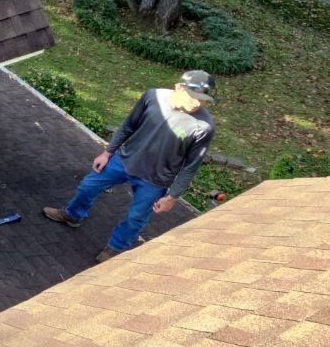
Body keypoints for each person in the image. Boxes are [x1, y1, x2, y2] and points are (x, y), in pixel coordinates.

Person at [42, 70, 216, 262]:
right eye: (194, 97)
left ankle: (116, 247)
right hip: (124, 160)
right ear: (178, 87)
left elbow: (191, 166)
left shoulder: (203, 127)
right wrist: (108, 152)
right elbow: (128, 126)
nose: (197, 103)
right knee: (88, 185)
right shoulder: (153, 96)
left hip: (155, 179)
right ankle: (73, 215)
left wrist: (172, 196)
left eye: (203, 100)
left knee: (136, 218)